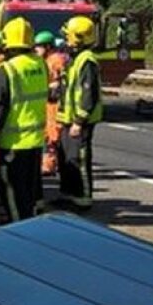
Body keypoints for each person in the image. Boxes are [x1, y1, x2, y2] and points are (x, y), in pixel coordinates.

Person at [0, 18, 48, 222]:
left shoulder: (7, 69)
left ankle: (16, 227)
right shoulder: (41, 64)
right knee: (30, 188)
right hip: (35, 141)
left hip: (13, 143)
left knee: (11, 190)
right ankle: (31, 221)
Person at [56, 16, 103, 211]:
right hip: (68, 120)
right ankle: (69, 195)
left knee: (80, 160)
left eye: (69, 37)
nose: (66, 41)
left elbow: (87, 94)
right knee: (66, 159)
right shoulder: (75, 59)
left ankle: (83, 199)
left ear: (79, 38)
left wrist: (79, 121)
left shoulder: (87, 61)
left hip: (79, 122)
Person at [34, 31, 67, 175]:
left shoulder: (55, 60)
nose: (36, 50)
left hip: (55, 103)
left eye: (39, 47)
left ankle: (50, 165)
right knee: (48, 134)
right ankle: (52, 164)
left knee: (52, 135)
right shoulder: (47, 60)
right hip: (48, 103)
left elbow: (60, 82)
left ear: (47, 46)